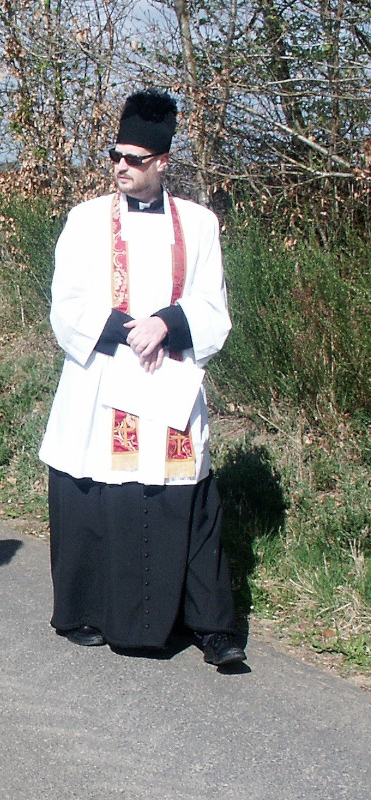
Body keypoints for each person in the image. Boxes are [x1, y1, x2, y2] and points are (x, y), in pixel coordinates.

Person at [39, 89, 246, 667]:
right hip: (104, 375)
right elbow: (66, 304)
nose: (120, 168)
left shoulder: (200, 225)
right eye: (115, 157)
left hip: (170, 373)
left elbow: (212, 305)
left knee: (186, 490)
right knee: (96, 489)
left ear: (162, 162)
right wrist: (129, 330)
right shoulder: (85, 222)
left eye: (133, 159)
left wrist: (166, 324)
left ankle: (210, 625)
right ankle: (86, 611)